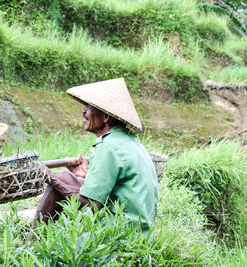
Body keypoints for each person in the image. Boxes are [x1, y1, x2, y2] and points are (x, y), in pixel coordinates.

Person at [32, 78, 158, 232]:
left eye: (89, 108)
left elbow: (91, 205)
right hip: (140, 229)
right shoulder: (128, 141)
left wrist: (50, 178)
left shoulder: (108, 146)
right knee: (65, 177)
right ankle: (39, 237)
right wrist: (87, 174)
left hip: (121, 231)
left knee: (60, 181)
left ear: (105, 117)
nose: (84, 112)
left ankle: (35, 239)